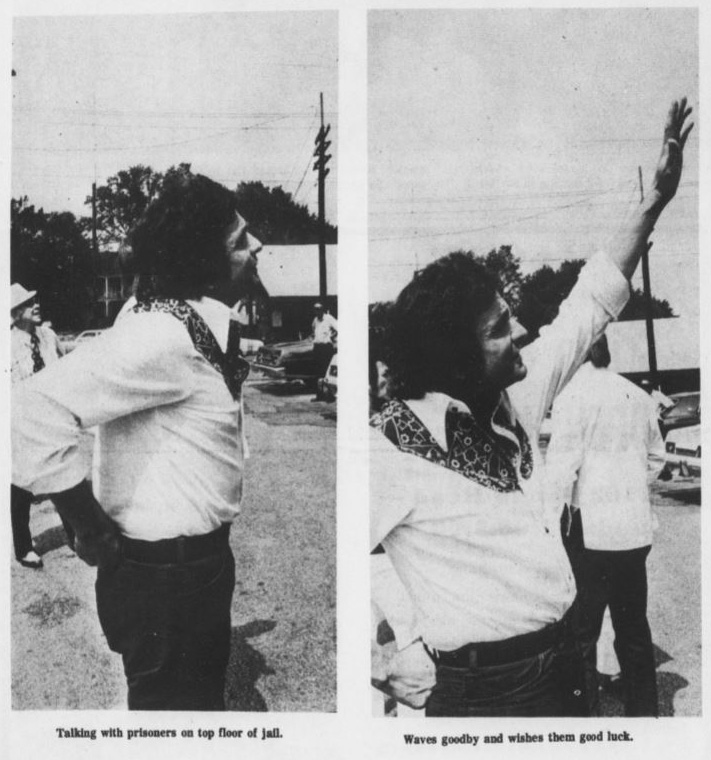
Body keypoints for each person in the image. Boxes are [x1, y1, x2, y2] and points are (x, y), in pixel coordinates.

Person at [369, 99, 692, 717]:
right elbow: (354, 555)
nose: (519, 330)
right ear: (456, 356)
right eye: (498, 327)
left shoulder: (511, 396)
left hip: (566, 664)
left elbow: (588, 305)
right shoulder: (388, 442)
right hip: (485, 695)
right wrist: (394, 647)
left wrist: (653, 204)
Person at [12, 170, 265, 710]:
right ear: (204, 260)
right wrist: (85, 521)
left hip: (190, 572)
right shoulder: (163, 334)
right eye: (240, 240)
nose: (257, 245)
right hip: (166, 585)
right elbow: (29, 410)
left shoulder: (169, 318)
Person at [546, 335, 666, 716]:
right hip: (633, 528)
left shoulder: (571, 397)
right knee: (633, 628)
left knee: (583, 633)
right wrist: (628, 488)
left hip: (589, 531)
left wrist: (552, 523)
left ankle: (587, 719)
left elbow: (562, 470)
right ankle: (644, 714)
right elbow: (657, 459)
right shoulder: (638, 396)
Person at [10, 283, 70, 568]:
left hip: (51, 417)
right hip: (22, 421)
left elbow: (65, 369)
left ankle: (75, 533)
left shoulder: (48, 336)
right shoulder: (7, 344)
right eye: (28, 303)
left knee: (63, 474)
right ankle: (23, 547)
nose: (36, 305)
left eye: (35, 300)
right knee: (21, 486)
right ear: (15, 312)